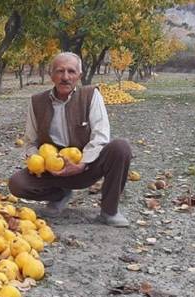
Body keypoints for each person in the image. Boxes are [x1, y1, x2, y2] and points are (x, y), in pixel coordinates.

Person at [8, 52, 132, 227]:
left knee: (121, 147)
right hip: (53, 169)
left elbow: (101, 135)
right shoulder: (37, 102)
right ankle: (59, 194)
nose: (65, 77)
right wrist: (40, 163)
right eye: (59, 71)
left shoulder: (90, 95)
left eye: (71, 71)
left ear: (79, 76)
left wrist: (82, 164)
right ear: (51, 75)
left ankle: (109, 211)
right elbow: (31, 141)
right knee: (17, 184)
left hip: (87, 166)